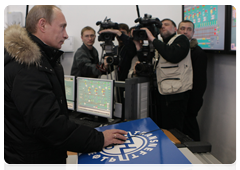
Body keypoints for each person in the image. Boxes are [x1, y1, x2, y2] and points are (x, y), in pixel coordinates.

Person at [4, 5, 127, 170]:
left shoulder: (43, 60)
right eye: (62, 27)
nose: (66, 35)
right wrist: (99, 139)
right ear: (42, 25)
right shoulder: (27, 68)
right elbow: (48, 125)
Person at [132, 19, 193, 132]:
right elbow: (147, 62)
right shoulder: (162, 44)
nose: (163, 26)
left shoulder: (181, 39)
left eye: (167, 24)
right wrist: (138, 46)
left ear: (175, 29)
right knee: (163, 128)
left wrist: (153, 39)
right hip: (163, 92)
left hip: (177, 95)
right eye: (161, 25)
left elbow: (172, 55)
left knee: (174, 130)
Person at [178, 20, 207, 141]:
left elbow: (200, 82)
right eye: (182, 28)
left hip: (190, 101)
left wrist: (193, 105)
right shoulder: (174, 51)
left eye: (189, 29)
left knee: (191, 129)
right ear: (177, 31)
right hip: (178, 99)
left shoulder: (198, 53)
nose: (185, 31)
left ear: (193, 33)